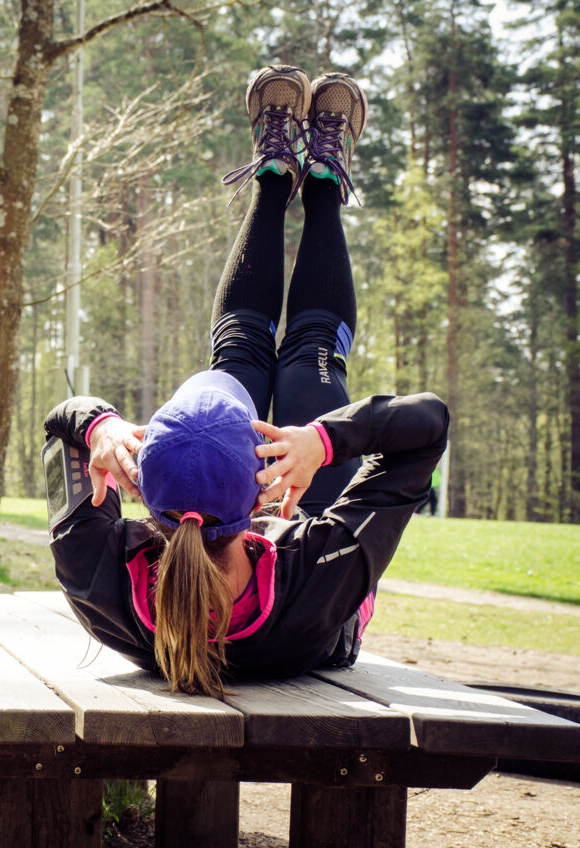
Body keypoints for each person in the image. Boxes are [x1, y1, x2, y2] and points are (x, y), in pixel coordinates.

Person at [45, 67, 448, 698]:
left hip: (299, 575)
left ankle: (276, 171)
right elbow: (429, 425)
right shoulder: (315, 571)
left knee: (246, 355)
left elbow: (62, 427)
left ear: (144, 492)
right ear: (260, 496)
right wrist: (320, 442)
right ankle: (319, 178)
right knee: (304, 360)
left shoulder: (100, 571)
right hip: (309, 559)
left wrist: (98, 426)